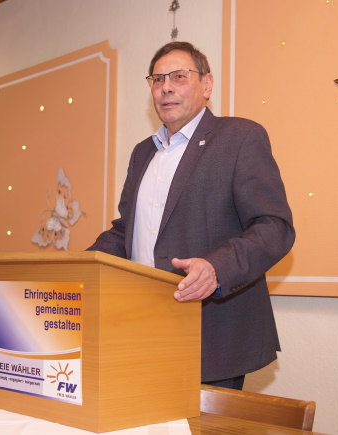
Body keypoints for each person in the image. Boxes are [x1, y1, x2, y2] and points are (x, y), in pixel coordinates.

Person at [87, 41, 295, 390]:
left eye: (179, 76)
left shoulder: (240, 137)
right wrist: (80, 264)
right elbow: (127, 232)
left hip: (211, 335)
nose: (166, 87)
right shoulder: (142, 153)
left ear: (207, 84)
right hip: (140, 329)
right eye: (157, 79)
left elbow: (274, 226)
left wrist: (216, 269)